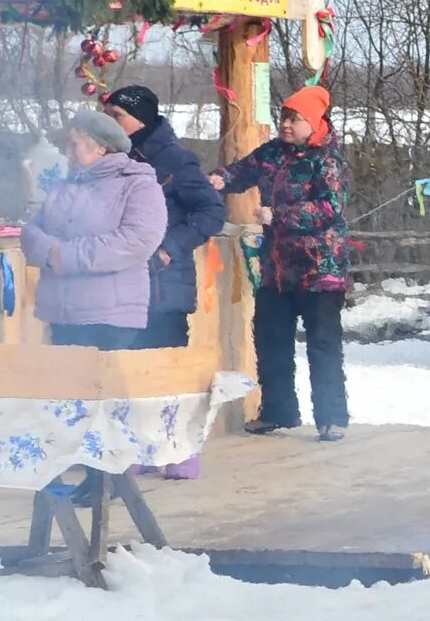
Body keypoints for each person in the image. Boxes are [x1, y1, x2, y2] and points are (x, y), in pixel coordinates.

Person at [211, 85, 351, 440]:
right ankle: (278, 410)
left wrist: (280, 214)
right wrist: (219, 179)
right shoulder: (272, 153)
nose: (287, 125)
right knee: (270, 338)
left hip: (321, 271)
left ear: (314, 122)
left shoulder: (328, 160)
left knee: (323, 346)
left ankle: (332, 417)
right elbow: (242, 172)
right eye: (284, 117)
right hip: (277, 270)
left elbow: (329, 208)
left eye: (295, 119)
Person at [21, 109, 164, 348]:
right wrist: (48, 252)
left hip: (110, 318)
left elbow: (137, 240)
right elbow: (32, 232)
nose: (67, 153)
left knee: (99, 385)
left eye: (75, 144)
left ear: (101, 147)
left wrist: (65, 256)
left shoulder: (138, 185)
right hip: (61, 313)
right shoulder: (64, 186)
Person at [100, 84, 226, 352]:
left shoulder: (175, 160)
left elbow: (212, 211)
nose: (108, 123)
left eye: (116, 116)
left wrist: (171, 246)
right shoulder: (105, 158)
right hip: (112, 291)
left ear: (140, 119)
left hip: (162, 287)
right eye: (105, 115)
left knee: (159, 378)